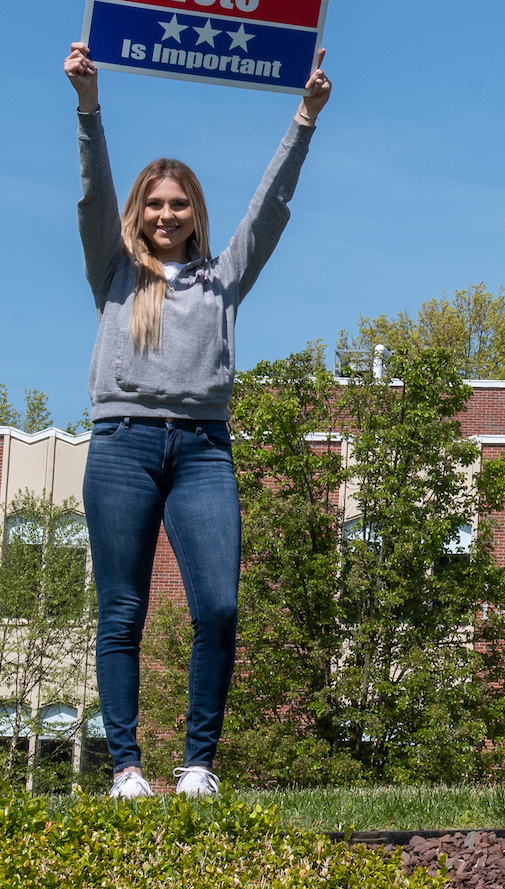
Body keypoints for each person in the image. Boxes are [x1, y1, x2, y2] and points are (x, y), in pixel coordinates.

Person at [63, 41, 332, 799]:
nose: (166, 213)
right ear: (139, 214)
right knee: (123, 609)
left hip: (205, 453)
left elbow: (271, 205)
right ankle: (124, 767)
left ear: (195, 215)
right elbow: (92, 193)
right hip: (122, 446)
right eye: (155, 203)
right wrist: (89, 105)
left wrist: (303, 118)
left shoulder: (223, 276)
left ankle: (199, 765)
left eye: (179, 203)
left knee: (218, 604)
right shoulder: (112, 271)